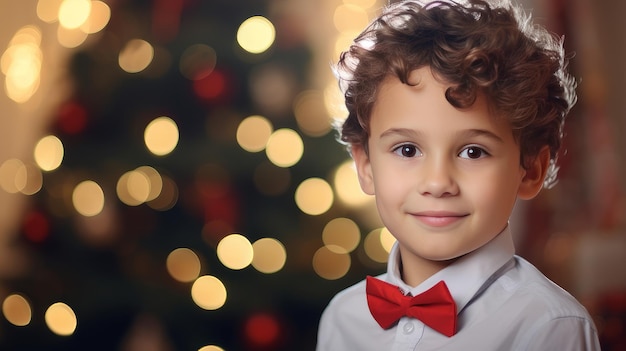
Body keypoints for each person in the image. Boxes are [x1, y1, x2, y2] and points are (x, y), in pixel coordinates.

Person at [316, 0, 601, 350]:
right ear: (365, 166)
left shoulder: (548, 327)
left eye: (473, 152)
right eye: (407, 150)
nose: (437, 183)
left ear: (531, 170)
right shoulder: (342, 318)